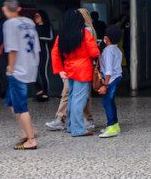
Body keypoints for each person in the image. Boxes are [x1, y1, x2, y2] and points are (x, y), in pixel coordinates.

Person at [52, 9, 100, 137]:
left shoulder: (61, 35)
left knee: (72, 98)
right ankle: (78, 129)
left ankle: (70, 126)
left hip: (69, 69)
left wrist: (60, 70)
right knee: (79, 100)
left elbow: (55, 52)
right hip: (83, 70)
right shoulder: (84, 33)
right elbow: (94, 53)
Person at [2, 0, 40, 151]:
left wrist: (10, 68)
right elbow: (36, 46)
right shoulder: (29, 22)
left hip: (19, 69)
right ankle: (28, 129)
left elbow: (12, 49)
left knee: (20, 105)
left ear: (5, 9)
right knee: (11, 102)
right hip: (30, 63)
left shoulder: (9, 24)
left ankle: (31, 139)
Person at [98, 25, 123, 138]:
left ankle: (111, 126)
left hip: (111, 79)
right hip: (117, 77)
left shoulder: (108, 51)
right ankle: (115, 124)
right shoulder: (117, 49)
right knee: (111, 101)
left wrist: (105, 85)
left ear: (106, 38)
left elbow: (108, 70)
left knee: (107, 102)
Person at [33, 10, 53, 101]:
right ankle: (39, 89)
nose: (36, 18)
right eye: (35, 16)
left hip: (44, 51)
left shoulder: (47, 26)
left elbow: (50, 38)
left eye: (38, 16)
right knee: (33, 72)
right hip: (34, 52)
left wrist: (39, 38)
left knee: (42, 71)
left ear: (42, 17)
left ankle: (45, 92)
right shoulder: (34, 27)